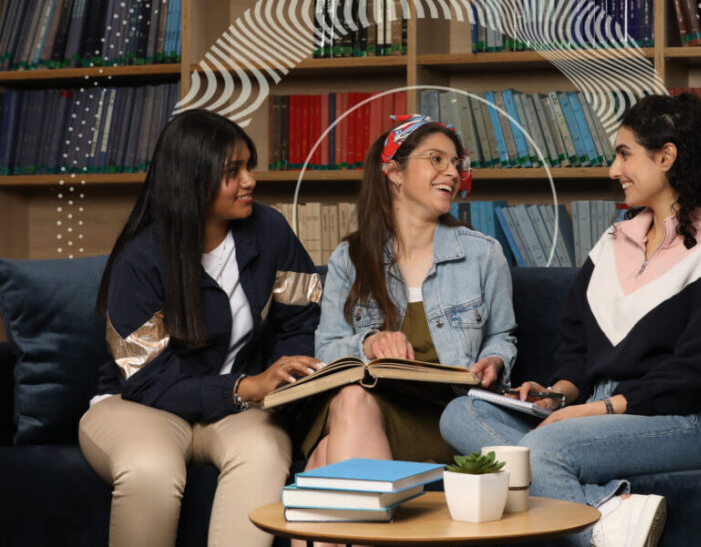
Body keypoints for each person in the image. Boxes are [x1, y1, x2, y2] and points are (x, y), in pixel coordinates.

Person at [440, 92, 701, 547]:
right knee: (460, 413)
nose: (613, 170)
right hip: (593, 415)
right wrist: (556, 395)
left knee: (540, 452)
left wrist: (596, 409)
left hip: (675, 420)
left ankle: (591, 525)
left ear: (666, 157)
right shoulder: (611, 242)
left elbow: (695, 373)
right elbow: (577, 351)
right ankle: (611, 512)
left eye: (624, 154)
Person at [78, 109, 324, 547]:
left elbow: (301, 318)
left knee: (265, 453)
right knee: (150, 469)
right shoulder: (141, 259)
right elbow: (148, 381)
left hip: (236, 411)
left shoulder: (270, 231)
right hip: (139, 407)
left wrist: (286, 376)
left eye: (248, 165)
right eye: (233, 172)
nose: (250, 180)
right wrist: (244, 387)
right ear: (191, 180)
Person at [293, 114, 517, 512]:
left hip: (450, 414)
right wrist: (370, 342)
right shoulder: (351, 258)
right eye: (436, 159)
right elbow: (325, 347)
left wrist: (496, 359)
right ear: (394, 171)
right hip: (375, 409)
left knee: (325, 458)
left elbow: (503, 335)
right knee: (350, 398)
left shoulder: (483, 253)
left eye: (455, 163)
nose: (452, 171)